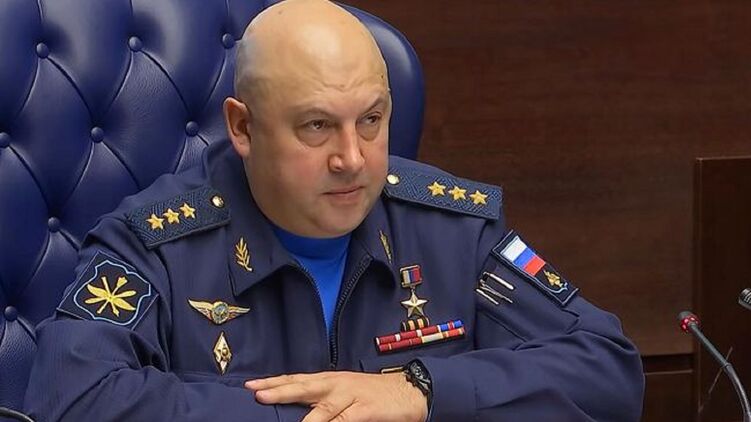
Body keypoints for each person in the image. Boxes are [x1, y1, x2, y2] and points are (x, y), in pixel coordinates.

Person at [24, 0, 644, 420]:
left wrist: (420, 391)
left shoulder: (452, 227)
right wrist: (325, 411)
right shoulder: (153, 245)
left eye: (371, 120)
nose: (353, 159)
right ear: (243, 128)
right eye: (317, 126)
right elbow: (71, 400)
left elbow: (607, 369)